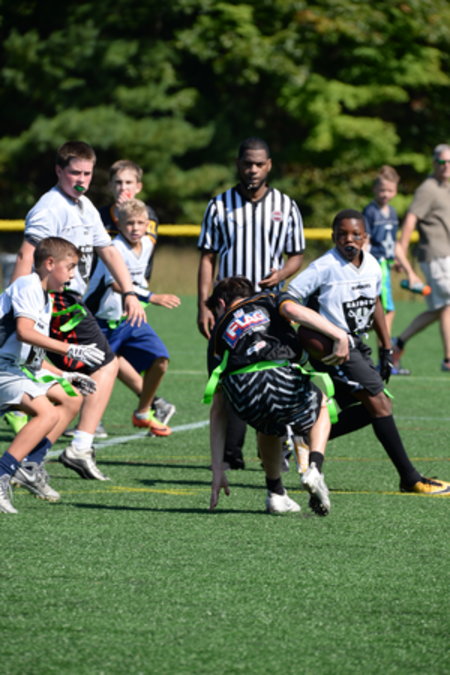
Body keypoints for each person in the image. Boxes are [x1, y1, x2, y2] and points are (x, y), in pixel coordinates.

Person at [288, 209, 450, 495]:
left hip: (357, 345)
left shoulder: (373, 265)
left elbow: (375, 303)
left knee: (370, 409)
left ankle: (304, 435)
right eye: (342, 234)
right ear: (333, 236)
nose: (348, 239)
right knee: (379, 403)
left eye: (355, 234)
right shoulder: (324, 266)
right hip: (332, 348)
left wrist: (386, 347)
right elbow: (289, 298)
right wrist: (314, 336)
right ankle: (410, 478)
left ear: (365, 237)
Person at [11, 141, 146, 481]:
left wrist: (130, 291)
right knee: (105, 364)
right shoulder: (50, 207)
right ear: (59, 171)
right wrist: (15, 305)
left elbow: (108, 251)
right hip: (58, 302)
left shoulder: (84, 206)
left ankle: (30, 460)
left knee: (65, 393)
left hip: (69, 300)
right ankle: (78, 447)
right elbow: (27, 255)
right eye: (75, 173)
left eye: (87, 173)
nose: (82, 179)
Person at [197, 137, 305, 469]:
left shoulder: (286, 205)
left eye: (259, 164)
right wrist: (203, 305)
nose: (253, 170)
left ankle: (278, 440)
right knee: (229, 372)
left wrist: (281, 273)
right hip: (230, 309)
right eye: (247, 163)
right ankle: (231, 453)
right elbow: (207, 257)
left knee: (276, 368)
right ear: (238, 164)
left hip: (270, 306)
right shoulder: (219, 205)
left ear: (269, 165)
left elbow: (296, 254)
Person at [204, 276, 349, 515]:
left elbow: (218, 408)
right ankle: (314, 468)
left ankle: (276, 494)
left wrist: (218, 468)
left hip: (243, 391)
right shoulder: (269, 298)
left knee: (267, 424)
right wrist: (339, 335)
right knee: (322, 403)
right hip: (278, 373)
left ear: (220, 303)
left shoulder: (218, 333)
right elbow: (292, 310)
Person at [0, 237, 102, 514]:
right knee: (46, 413)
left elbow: (30, 355)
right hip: (3, 369)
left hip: (15, 368)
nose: (73, 275)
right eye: (70, 267)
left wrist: (65, 374)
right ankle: (3, 473)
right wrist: (71, 349)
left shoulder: (45, 296)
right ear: (49, 263)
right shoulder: (28, 285)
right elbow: (24, 332)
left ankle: (30, 466)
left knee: (72, 398)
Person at [85, 199, 180, 436]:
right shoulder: (114, 248)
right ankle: (88, 422)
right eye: (129, 223)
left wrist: (140, 298)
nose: (135, 228)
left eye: (140, 223)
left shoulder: (146, 244)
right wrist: (151, 297)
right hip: (100, 320)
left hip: (129, 318)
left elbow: (137, 279)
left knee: (160, 359)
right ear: (118, 224)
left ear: (148, 225)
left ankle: (143, 412)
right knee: (98, 373)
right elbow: (116, 283)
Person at [97, 159, 174, 427]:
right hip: (102, 304)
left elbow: (138, 253)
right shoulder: (99, 217)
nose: (123, 188)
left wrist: (142, 295)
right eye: (118, 182)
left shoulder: (144, 218)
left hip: (133, 299)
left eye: (129, 182)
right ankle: (92, 421)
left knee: (153, 358)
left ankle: (148, 405)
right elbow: (110, 271)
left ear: (138, 186)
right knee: (103, 362)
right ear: (110, 186)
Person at [393, 144, 450, 372]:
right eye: (442, 162)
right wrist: (402, 253)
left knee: (440, 308)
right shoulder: (428, 188)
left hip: (446, 255)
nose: (446, 166)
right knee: (447, 305)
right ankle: (448, 359)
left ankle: (398, 343)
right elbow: (410, 220)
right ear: (434, 163)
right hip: (435, 255)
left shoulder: (445, 186)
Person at [363, 166, 422, 375]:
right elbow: (366, 241)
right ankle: (384, 360)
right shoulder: (370, 211)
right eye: (381, 190)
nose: (385, 194)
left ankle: (382, 359)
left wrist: (408, 270)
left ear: (396, 190)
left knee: (382, 313)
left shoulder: (393, 213)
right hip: (376, 266)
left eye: (389, 190)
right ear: (374, 189)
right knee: (386, 312)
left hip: (386, 266)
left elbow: (394, 245)